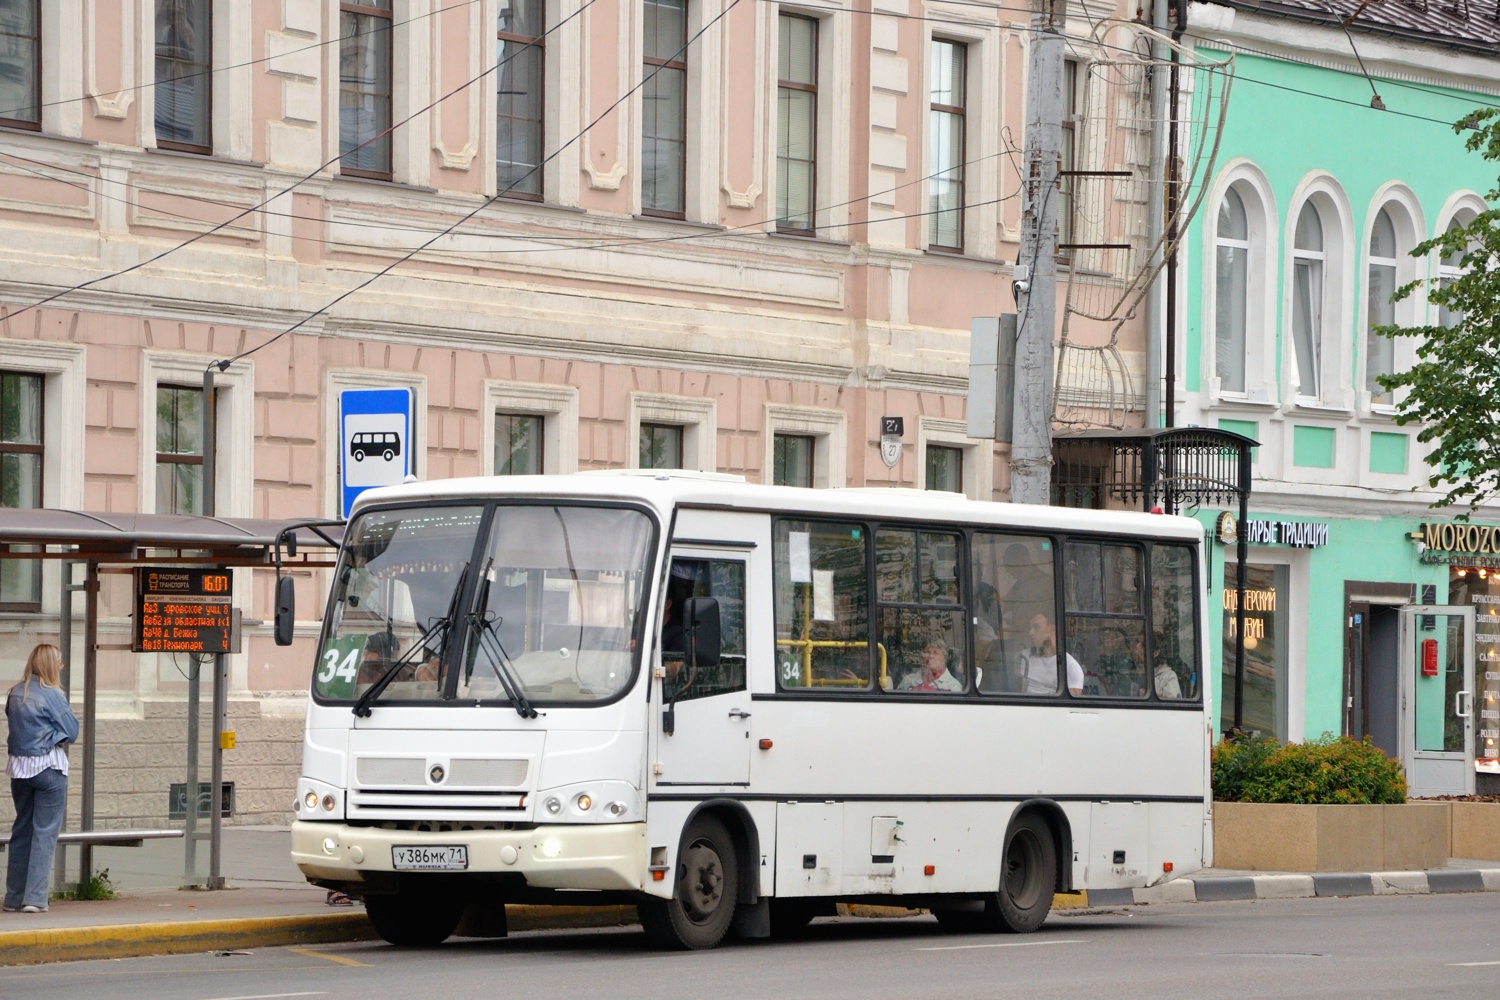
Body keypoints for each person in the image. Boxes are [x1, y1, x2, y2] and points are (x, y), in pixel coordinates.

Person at [6, 643, 79, 914]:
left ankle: (13, 898)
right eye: (59, 662)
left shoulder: (15, 693)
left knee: (22, 831)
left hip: (19, 770)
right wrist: (56, 736)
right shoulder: (53, 694)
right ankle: (35, 899)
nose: (61, 666)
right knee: (44, 833)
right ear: (50, 665)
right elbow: (72, 731)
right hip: (49, 768)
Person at [1016, 613, 1084, 696]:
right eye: (1030, 628)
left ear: (1052, 630)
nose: (1031, 633)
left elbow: (1072, 705)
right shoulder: (1023, 657)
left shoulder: (1070, 667)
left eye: (1036, 627)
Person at [897, 635, 963, 693]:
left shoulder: (953, 686)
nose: (931, 656)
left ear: (945, 658)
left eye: (935, 653)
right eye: (927, 652)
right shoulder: (908, 680)